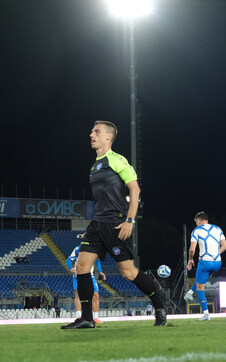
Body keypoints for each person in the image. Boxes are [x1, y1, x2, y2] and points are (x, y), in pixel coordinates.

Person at [61, 121, 166, 329]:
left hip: (115, 224)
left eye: (96, 131)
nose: (91, 134)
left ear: (108, 137)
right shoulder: (94, 165)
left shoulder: (117, 160)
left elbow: (134, 190)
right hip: (97, 224)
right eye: (91, 131)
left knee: (128, 272)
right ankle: (87, 318)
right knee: (81, 266)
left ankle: (159, 304)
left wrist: (130, 220)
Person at [184, 211, 226, 321]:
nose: (196, 224)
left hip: (205, 262)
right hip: (217, 263)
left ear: (198, 221)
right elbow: (225, 246)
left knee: (200, 288)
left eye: (196, 222)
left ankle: (206, 314)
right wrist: (216, 255)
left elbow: (192, 249)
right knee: (201, 280)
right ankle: (189, 293)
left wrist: (190, 259)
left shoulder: (196, 230)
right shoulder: (218, 229)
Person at [67, 243, 105, 324]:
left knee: (96, 295)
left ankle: (95, 317)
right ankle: (79, 316)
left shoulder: (94, 249)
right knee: (78, 295)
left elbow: (97, 261)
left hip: (90, 275)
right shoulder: (78, 249)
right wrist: (71, 268)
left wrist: (101, 271)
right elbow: (68, 260)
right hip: (78, 275)